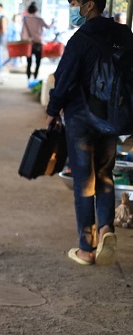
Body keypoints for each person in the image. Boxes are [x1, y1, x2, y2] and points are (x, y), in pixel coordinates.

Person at [46, 0, 133, 266]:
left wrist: (52, 109)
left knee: (84, 180)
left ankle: (86, 247)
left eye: (75, 3)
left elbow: (64, 79)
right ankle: (106, 228)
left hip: (81, 119)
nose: (73, 8)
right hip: (111, 119)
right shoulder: (124, 34)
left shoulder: (80, 39)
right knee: (105, 173)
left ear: (89, 4)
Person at [21, 3, 53, 80]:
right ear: (36, 10)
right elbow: (48, 27)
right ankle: (35, 77)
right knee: (38, 62)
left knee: (29, 62)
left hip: (29, 43)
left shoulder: (25, 19)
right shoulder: (40, 19)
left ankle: (28, 78)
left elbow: (23, 32)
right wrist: (53, 22)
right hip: (38, 43)